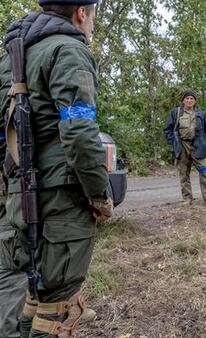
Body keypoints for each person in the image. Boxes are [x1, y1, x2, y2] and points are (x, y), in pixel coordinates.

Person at [0, 0, 112, 337]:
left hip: (17, 194)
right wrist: (98, 194)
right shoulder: (68, 50)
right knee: (56, 308)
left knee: (29, 300)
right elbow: (79, 132)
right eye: (91, 17)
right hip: (60, 199)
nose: (91, 25)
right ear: (81, 12)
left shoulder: (10, 57)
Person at [163, 89, 206, 206]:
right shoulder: (176, 113)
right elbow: (167, 130)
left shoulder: (201, 114)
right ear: (183, 101)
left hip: (198, 146)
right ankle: (187, 199)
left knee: (204, 172)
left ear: (194, 101)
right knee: (184, 173)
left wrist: (205, 142)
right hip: (182, 146)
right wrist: (174, 143)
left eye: (192, 99)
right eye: (187, 98)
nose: (189, 101)